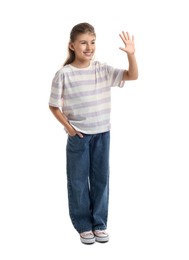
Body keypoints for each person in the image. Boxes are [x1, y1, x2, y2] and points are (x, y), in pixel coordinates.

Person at [49, 22, 138, 244]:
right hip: (79, 137)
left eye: (92, 42)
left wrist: (131, 55)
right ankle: (83, 225)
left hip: (102, 134)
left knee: (100, 180)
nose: (89, 47)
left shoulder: (102, 69)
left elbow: (132, 75)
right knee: (78, 181)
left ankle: (99, 223)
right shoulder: (64, 74)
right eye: (83, 43)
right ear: (72, 46)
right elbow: (53, 106)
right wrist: (69, 129)